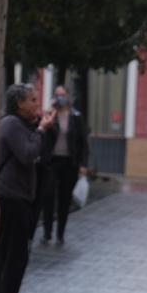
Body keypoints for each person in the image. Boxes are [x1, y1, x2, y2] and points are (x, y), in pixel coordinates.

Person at [0, 83, 55, 293]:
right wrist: (40, 130)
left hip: (19, 198)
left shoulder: (22, 125)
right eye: (31, 100)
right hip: (11, 198)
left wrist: (43, 128)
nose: (36, 104)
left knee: (12, 257)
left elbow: (43, 152)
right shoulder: (10, 124)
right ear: (19, 103)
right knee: (15, 257)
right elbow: (28, 154)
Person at [38, 85, 91, 245]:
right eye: (57, 95)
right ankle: (47, 232)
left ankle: (60, 233)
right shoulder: (50, 115)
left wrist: (83, 164)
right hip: (52, 162)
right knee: (48, 197)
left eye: (63, 95)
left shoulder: (76, 116)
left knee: (64, 198)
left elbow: (83, 142)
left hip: (69, 163)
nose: (60, 97)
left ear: (68, 97)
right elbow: (42, 132)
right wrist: (50, 111)